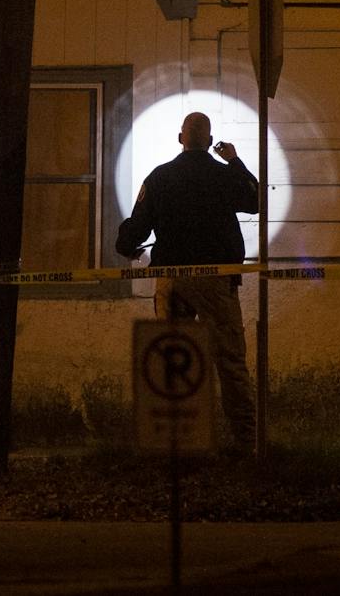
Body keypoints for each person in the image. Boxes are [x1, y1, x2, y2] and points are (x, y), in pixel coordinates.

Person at [116, 111, 259, 451]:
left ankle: (174, 444)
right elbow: (255, 200)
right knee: (230, 361)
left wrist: (128, 245)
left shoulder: (160, 178)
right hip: (217, 281)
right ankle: (245, 442)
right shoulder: (223, 176)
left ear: (180, 139)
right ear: (210, 142)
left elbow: (134, 232)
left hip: (172, 280)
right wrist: (235, 160)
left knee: (172, 361)